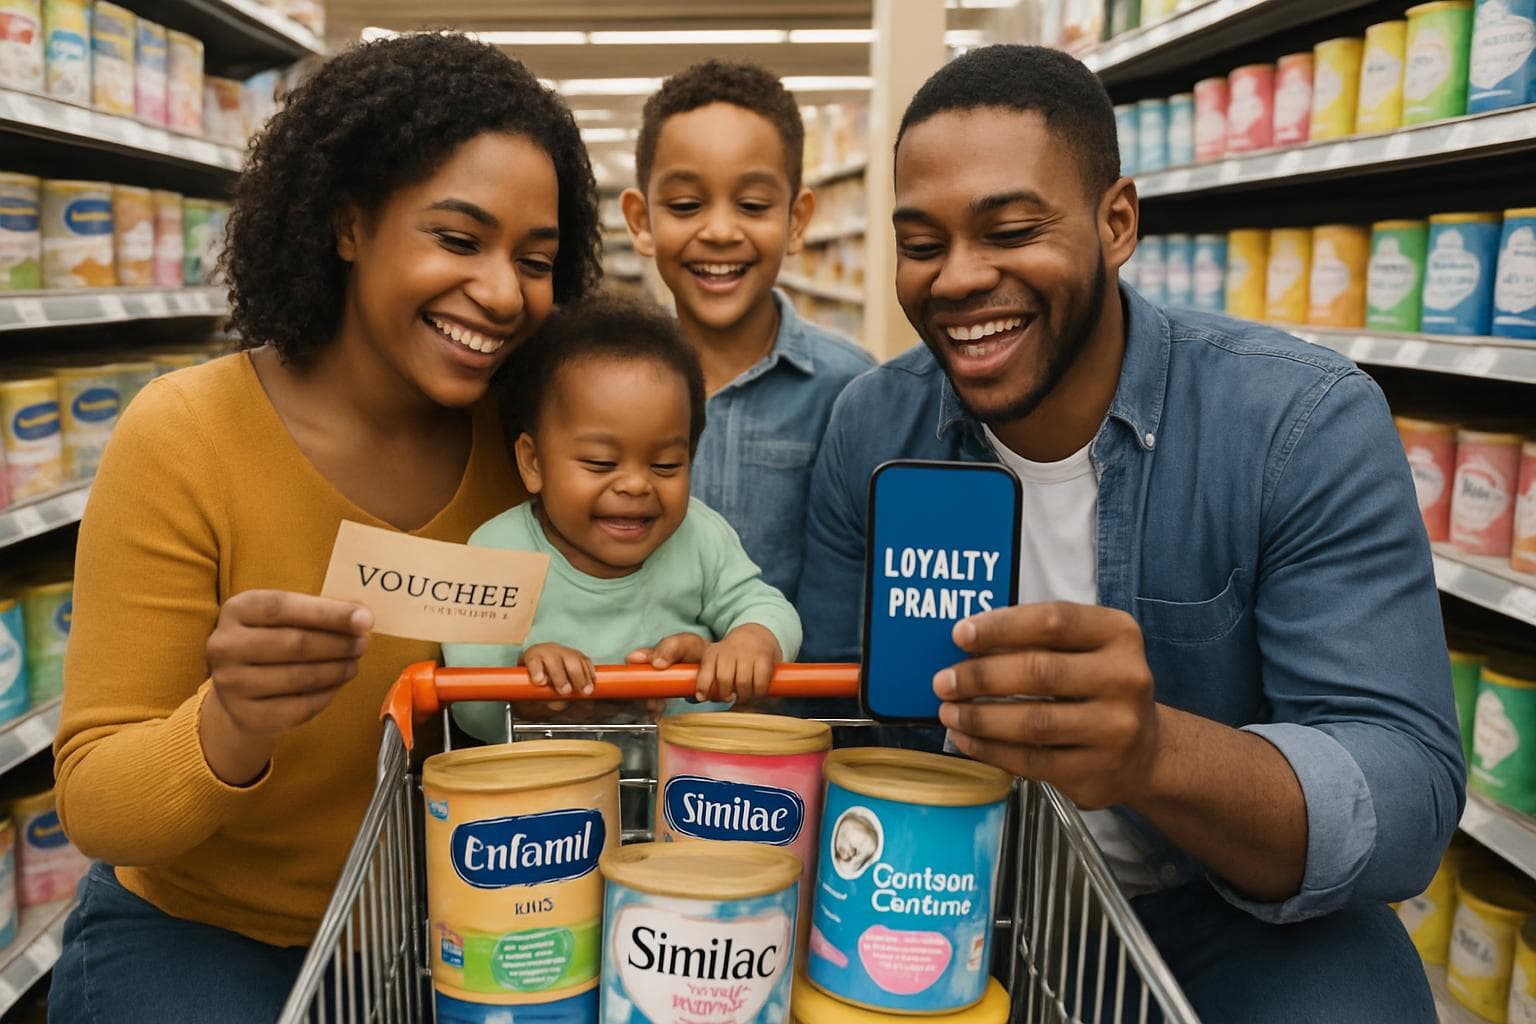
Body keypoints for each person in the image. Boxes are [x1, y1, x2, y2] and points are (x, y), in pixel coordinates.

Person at [798, 45, 1463, 1022]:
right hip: (940, 881)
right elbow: (831, 710)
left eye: (1012, 229)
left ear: (1117, 223)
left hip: (1224, 911)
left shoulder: (1298, 424)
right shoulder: (870, 427)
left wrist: (1153, 753)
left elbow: (1404, 794)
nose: (958, 278)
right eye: (921, 241)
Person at [49, 35, 601, 1022]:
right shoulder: (184, 436)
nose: (504, 292)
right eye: (459, 239)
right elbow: (96, 802)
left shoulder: (531, 453)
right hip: (204, 935)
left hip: (462, 920)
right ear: (348, 224)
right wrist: (229, 724)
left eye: (537, 260)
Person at [444, 294, 802, 742]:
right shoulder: (496, 555)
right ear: (533, 463)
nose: (635, 486)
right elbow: (467, 702)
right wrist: (523, 688)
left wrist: (750, 640)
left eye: (666, 465)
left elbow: (768, 605)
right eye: (600, 463)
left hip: (680, 796)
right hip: (549, 797)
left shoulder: (700, 535)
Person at [620, 60, 873, 605]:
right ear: (641, 222)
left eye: (753, 206)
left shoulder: (854, 392)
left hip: (799, 687)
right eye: (686, 205)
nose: (718, 231)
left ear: (797, 220)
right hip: (635, 685)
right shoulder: (603, 386)